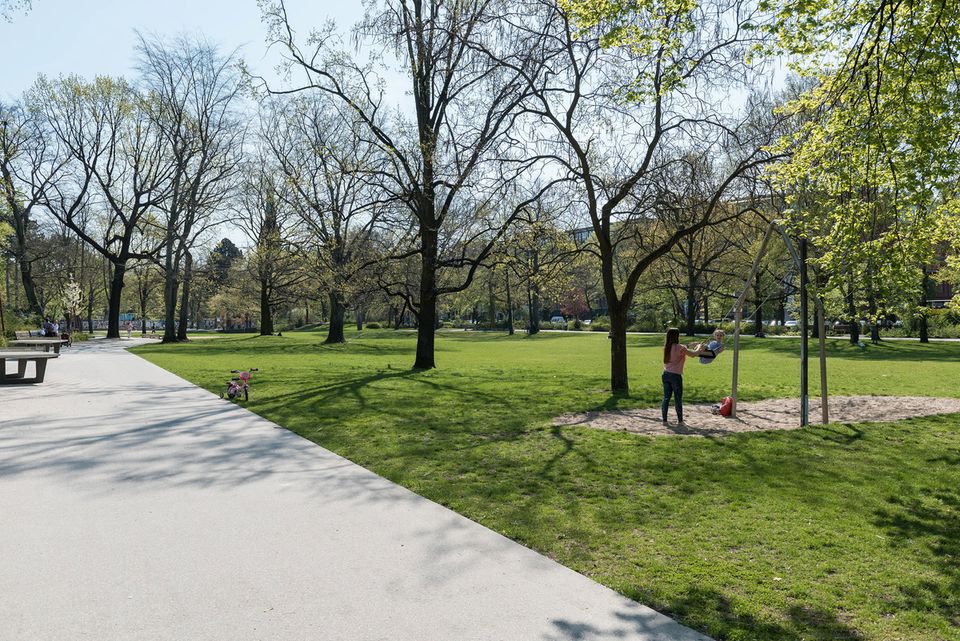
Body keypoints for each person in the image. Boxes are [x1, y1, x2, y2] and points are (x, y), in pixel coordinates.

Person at [661, 327, 707, 424]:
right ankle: (680, 421)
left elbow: (679, 349)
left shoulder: (666, 347)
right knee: (678, 398)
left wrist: (689, 345)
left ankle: (664, 420)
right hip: (675, 376)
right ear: (677, 336)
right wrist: (699, 346)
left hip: (665, 374)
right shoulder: (680, 347)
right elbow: (693, 354)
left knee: (666, 398)